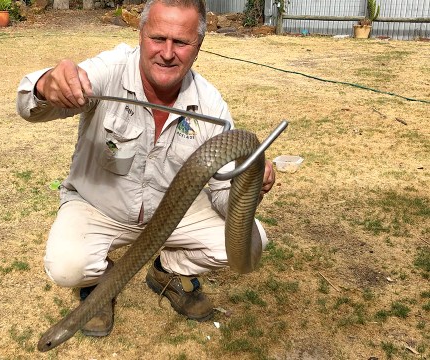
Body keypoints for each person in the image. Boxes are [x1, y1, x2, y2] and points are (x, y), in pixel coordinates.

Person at [16, 0, 275, 337]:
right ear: (140, 35)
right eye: (158, 38)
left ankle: (166, 270)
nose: (167, 53)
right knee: (67, 265)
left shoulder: (211, 106)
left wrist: (247, 186)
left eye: (180, 42)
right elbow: (28, 107)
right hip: (100, 206)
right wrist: (46, 86)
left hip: (171, 214)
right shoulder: (108, 70)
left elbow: (225, 198)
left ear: (198, 47)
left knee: (252, 241)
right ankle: (100, 284)